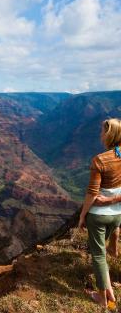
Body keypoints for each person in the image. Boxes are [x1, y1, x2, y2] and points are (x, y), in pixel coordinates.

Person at [78, 118, 121, 308]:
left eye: (102, 132)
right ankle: (110, 289)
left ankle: (103, 299)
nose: (100, 135)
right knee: (103, 253)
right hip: (117, 216)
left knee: (98, 256)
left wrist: (82, 215)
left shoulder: (100, 160)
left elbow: (92, 193)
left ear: (109, 135)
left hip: (99, 216)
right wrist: (113, 200)